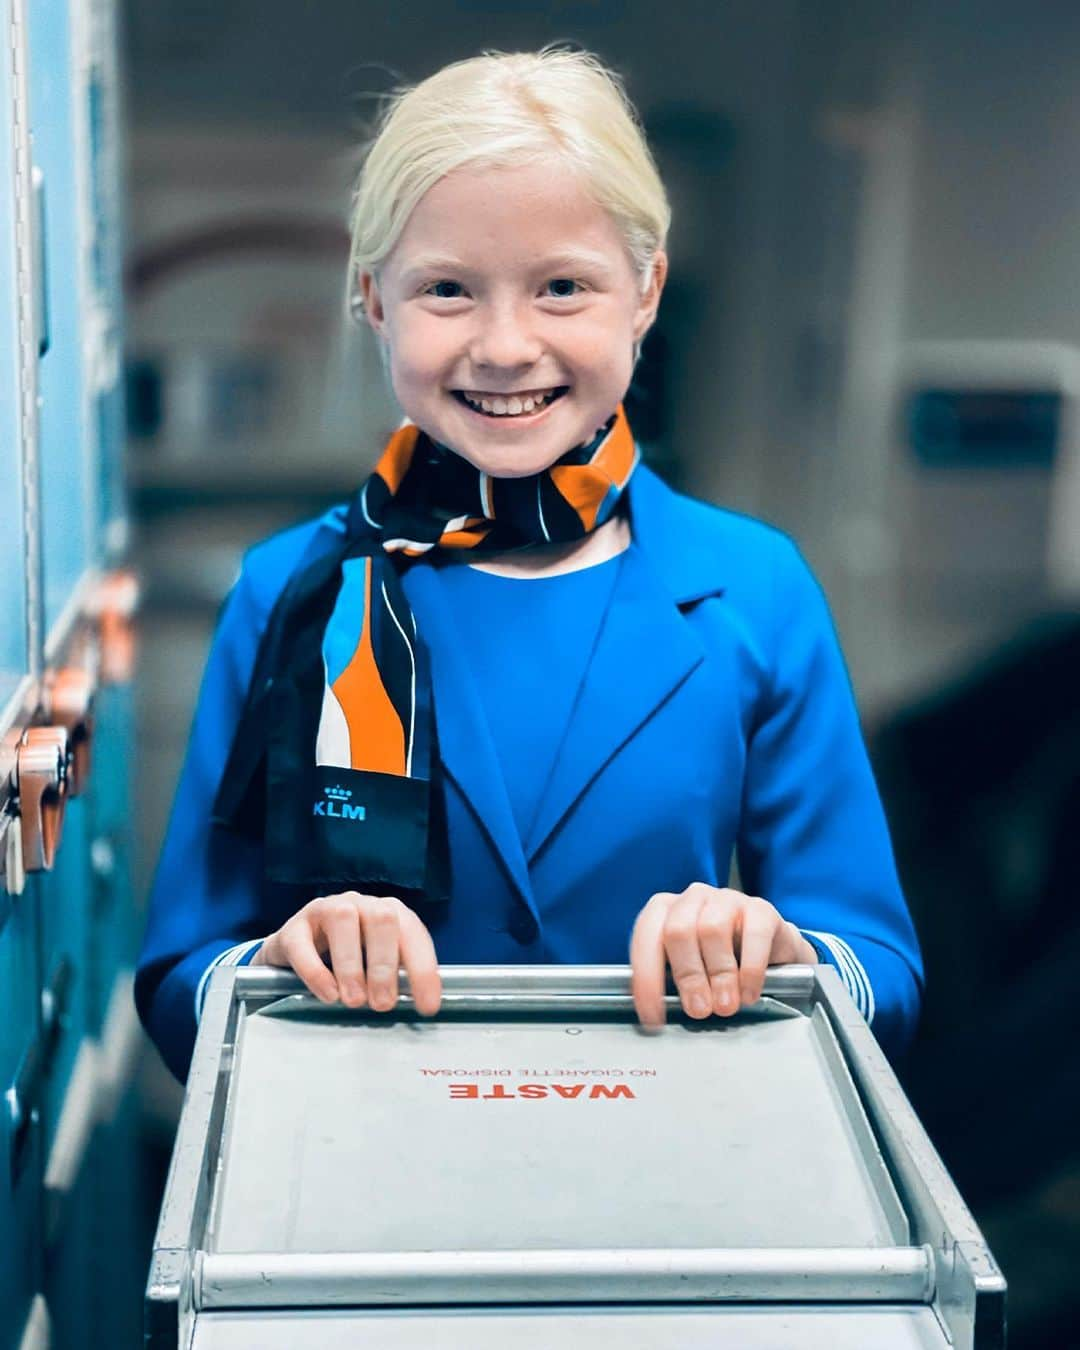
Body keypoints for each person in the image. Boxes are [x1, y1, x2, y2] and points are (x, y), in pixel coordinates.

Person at [135, 45, 923, 1083]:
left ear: (645, 293)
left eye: (562, 287)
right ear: (373, 300)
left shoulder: (755, 590)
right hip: (370, 1182)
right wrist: (278, 966)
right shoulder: (295, 591)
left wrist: (777, 955)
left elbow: (882, 975)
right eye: (448, 291)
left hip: (670, 1178)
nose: (504, 347)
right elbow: (182, 977)